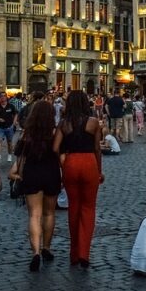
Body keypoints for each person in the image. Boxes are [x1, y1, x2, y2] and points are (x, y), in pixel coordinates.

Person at [53, 90, 104, 268]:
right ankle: (84, 253)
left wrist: (62, 164)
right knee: (88, 208)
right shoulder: (93, 122)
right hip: (89, 162)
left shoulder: (64, 124)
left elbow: (55, 148)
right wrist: (99, 171)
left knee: (73, 207)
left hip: (71, 163)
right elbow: (97, 148)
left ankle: (74, 253)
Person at [11, 100, 63, 271]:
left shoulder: (27, 134)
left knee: (34, 215)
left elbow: (20, 158)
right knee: (49, 213)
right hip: (51, 173)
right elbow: (60, 154)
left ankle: (35, 252)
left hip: (32, 174)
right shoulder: (56, 133)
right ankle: (46, 247)